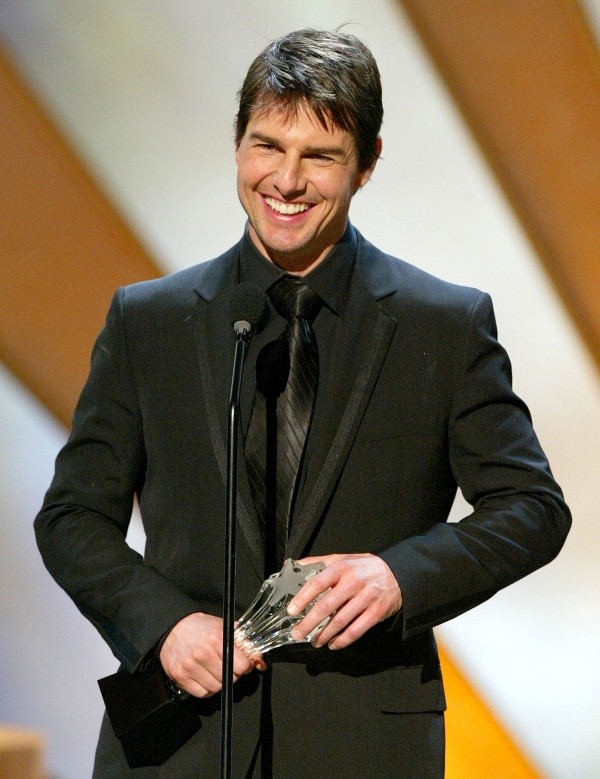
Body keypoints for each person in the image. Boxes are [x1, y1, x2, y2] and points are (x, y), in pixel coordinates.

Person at [35, 28, 571, 778]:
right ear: (237, 145)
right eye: (266, 147)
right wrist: (165, 625)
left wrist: (397, 576)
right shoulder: (148, 320)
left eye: (318, 156)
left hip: (362, 743)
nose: (285, 181)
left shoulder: (443, 324)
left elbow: (532, 507)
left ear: (368, 163)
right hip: (179, 738)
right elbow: (71, 518)